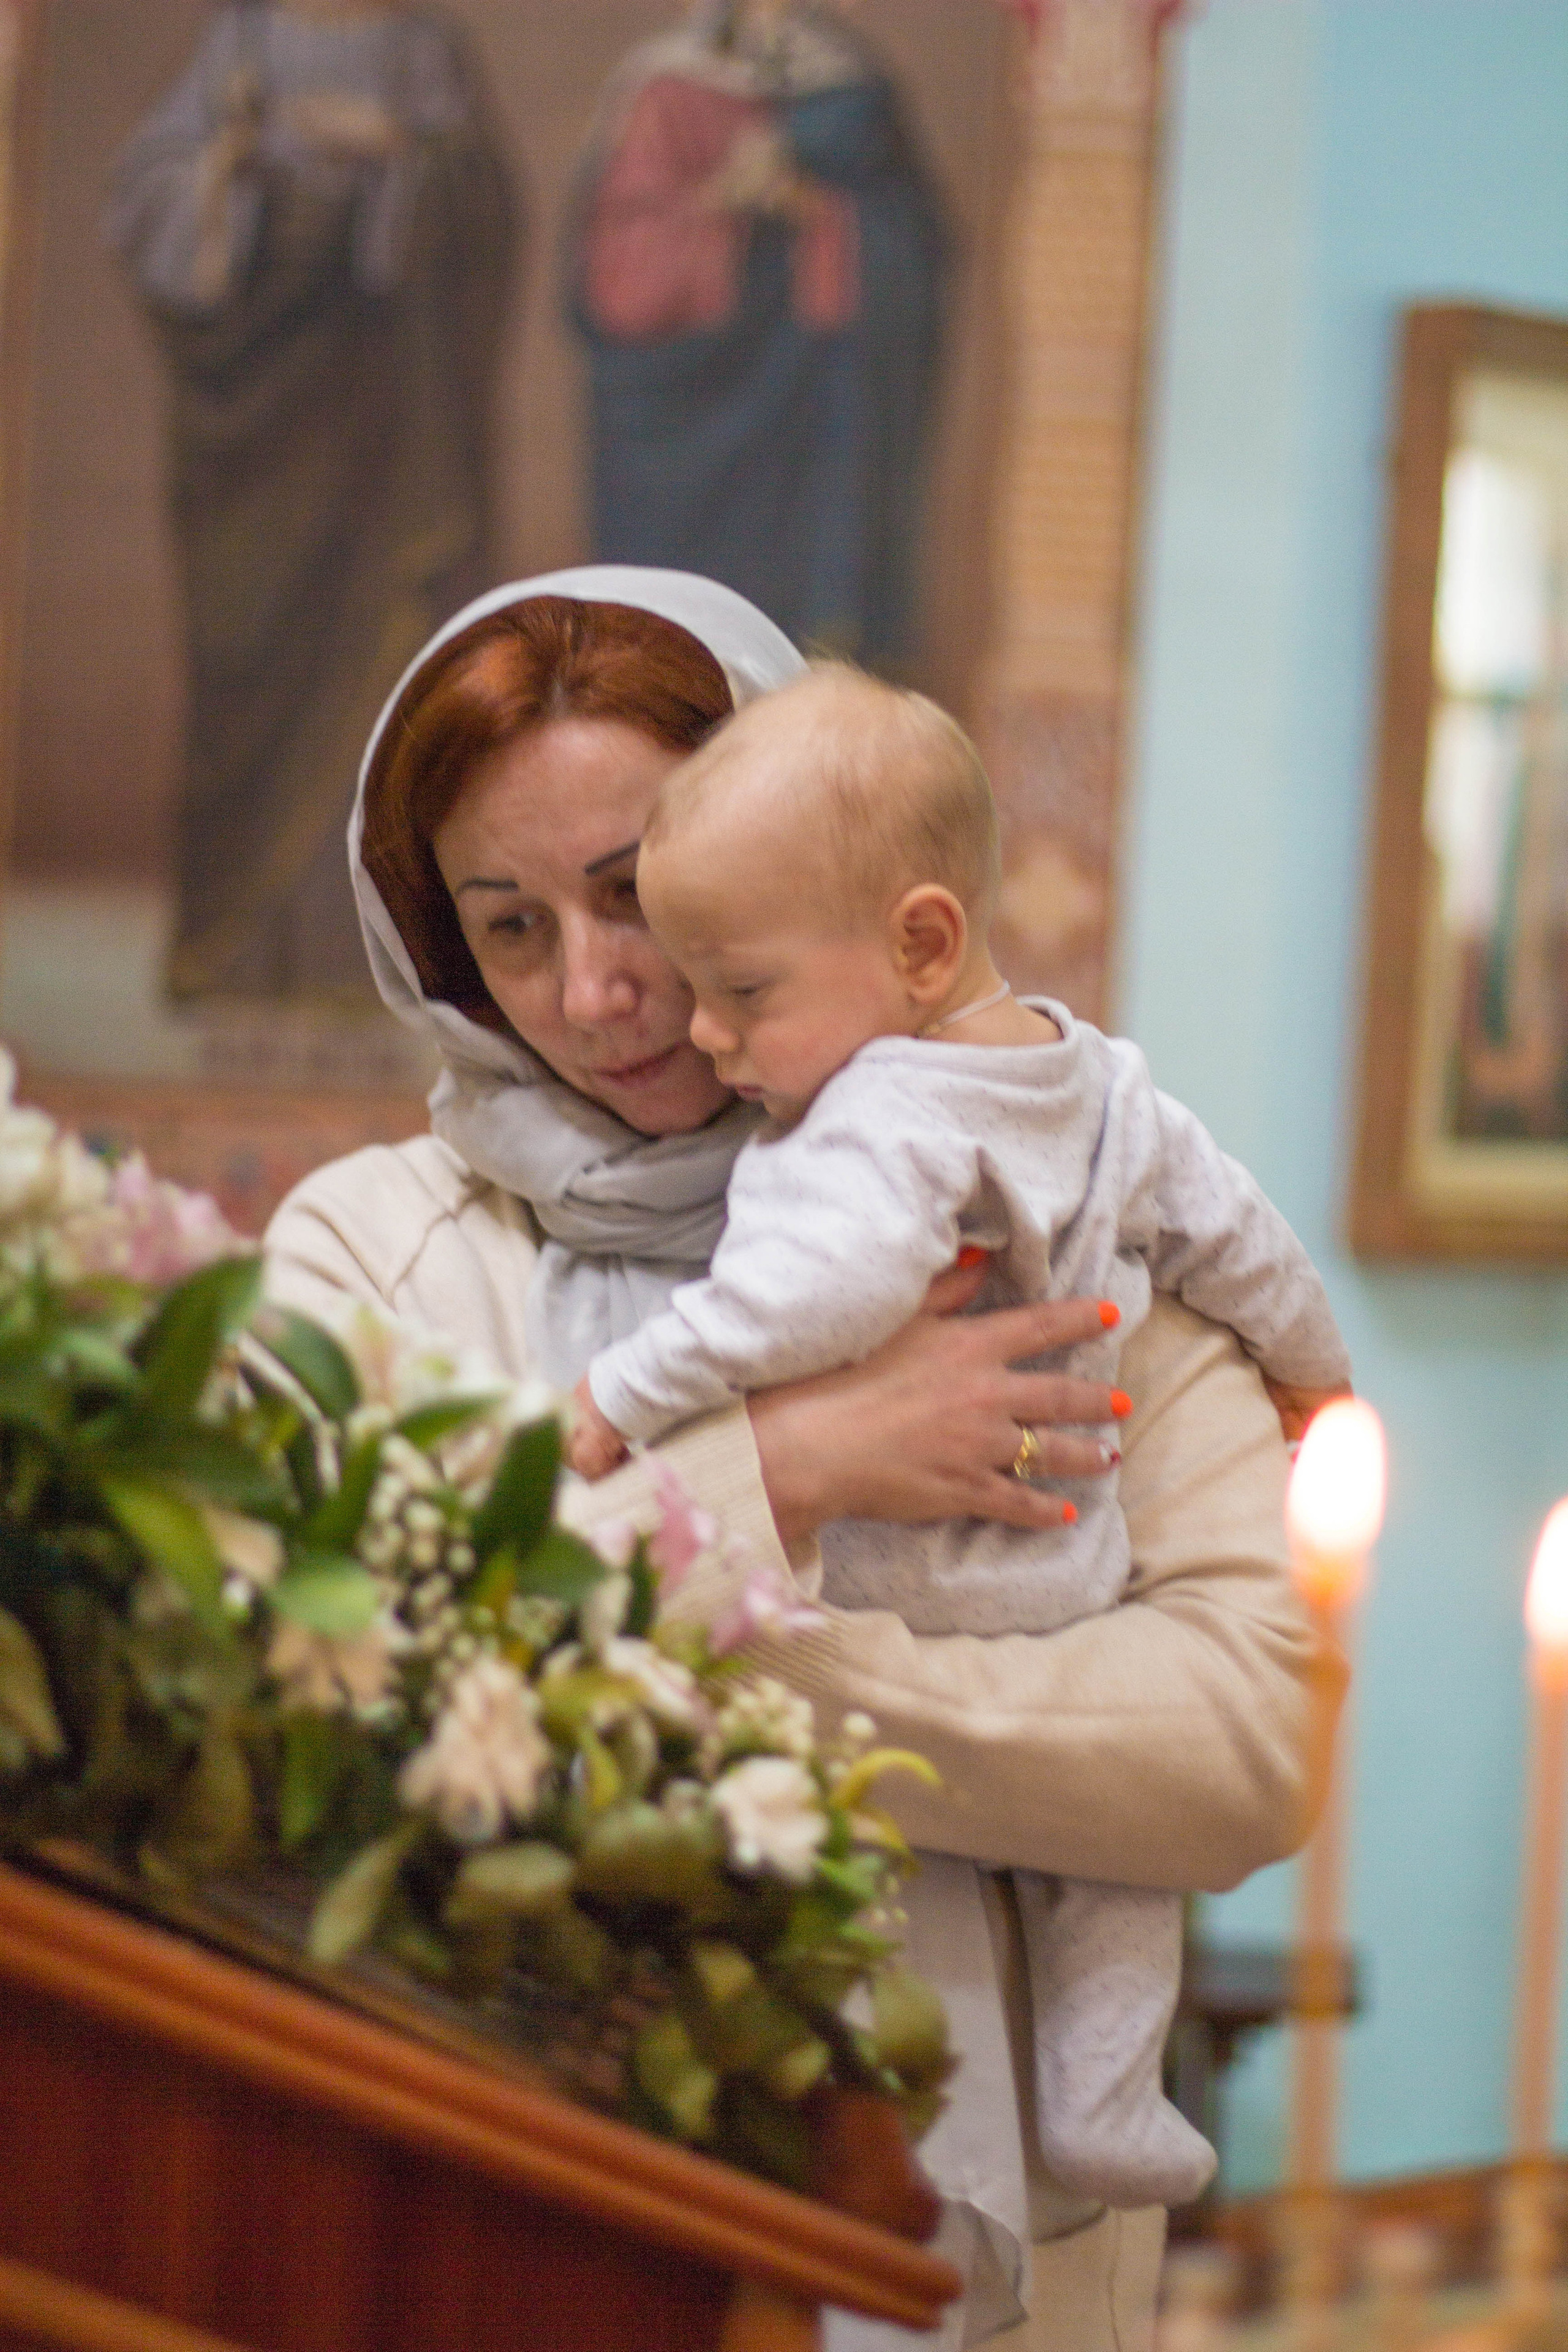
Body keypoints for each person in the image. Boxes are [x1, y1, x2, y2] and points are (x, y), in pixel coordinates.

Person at [264, 566, 1332, 2352]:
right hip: (494, 2218)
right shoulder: (364, 1254)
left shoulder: (1063, 1193)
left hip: (986, 2278)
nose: (598, 987)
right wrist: (783, 1459)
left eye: (633, 895)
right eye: (506, 924)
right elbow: (343, 1707)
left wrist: (671, 1648)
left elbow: (1243, 1742)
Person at [567, 663, 1351, 2214]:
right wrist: (1314, 1377)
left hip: (909, 1577)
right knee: (1107, 1880)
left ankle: (1083, 2105)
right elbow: (1242, 1241)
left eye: (739, 990)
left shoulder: (874, 1119)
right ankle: (1108, 2094)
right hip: (1077, 1572)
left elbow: (809, 1295)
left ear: (918, 941)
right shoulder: (1107, 1083)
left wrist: (632, 1390)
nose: (702, 1029)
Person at [107, 0, 514, 1003]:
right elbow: (150, 195)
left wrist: (396, 156)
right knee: (249, 679)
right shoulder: (241, 39)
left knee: (379, 669)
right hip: (256, 433)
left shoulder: (424, 48)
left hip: (386, 425)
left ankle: (360, 968)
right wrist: (232, 170)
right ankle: (231, 955)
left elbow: (486, 208)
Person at [567, 1, 946, 669]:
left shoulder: (852, 87)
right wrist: (721, 207)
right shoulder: (666, 84)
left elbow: (913, 245)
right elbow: (618, 259)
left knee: (806, 621)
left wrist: (816, 211)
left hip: (810, 391)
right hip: (685, 392)